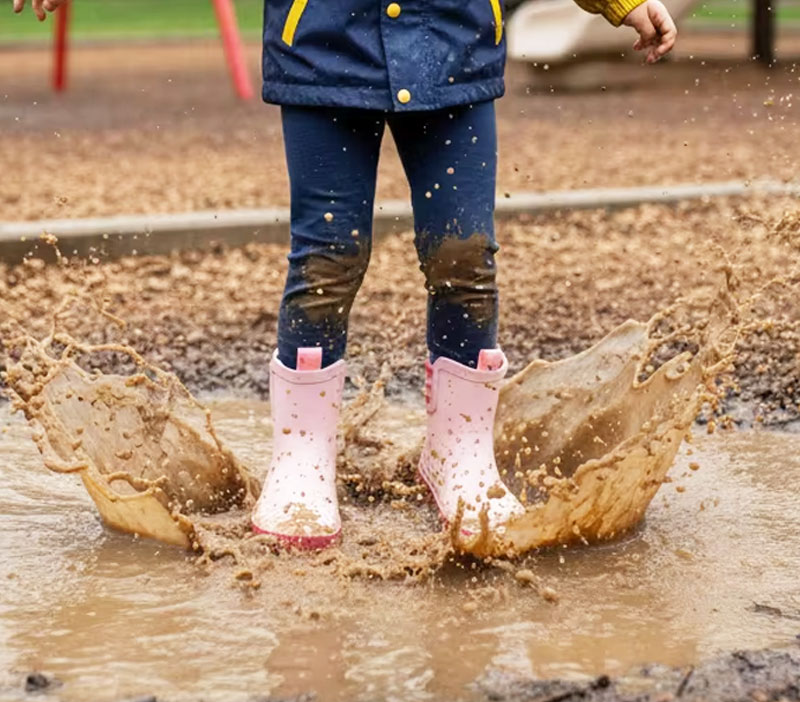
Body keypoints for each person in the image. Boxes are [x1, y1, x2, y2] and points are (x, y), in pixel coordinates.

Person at [13, 0, 677, 550]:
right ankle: (302, 462)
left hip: (454, 43)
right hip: (326, 47)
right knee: (328, 256)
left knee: (464, 253)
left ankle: (460, 455)